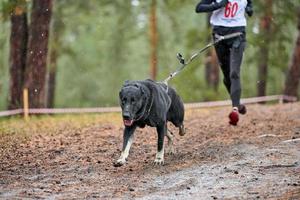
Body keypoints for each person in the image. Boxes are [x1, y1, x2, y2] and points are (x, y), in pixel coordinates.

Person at [195, 0, 253, 125]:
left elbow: (249, 3)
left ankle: (235, 110)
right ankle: (238, 104)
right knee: (227, 76)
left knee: (234, 73)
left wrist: (249, 8)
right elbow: (199, 8)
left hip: (238, 35)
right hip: (219, 36)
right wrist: (219, 5)